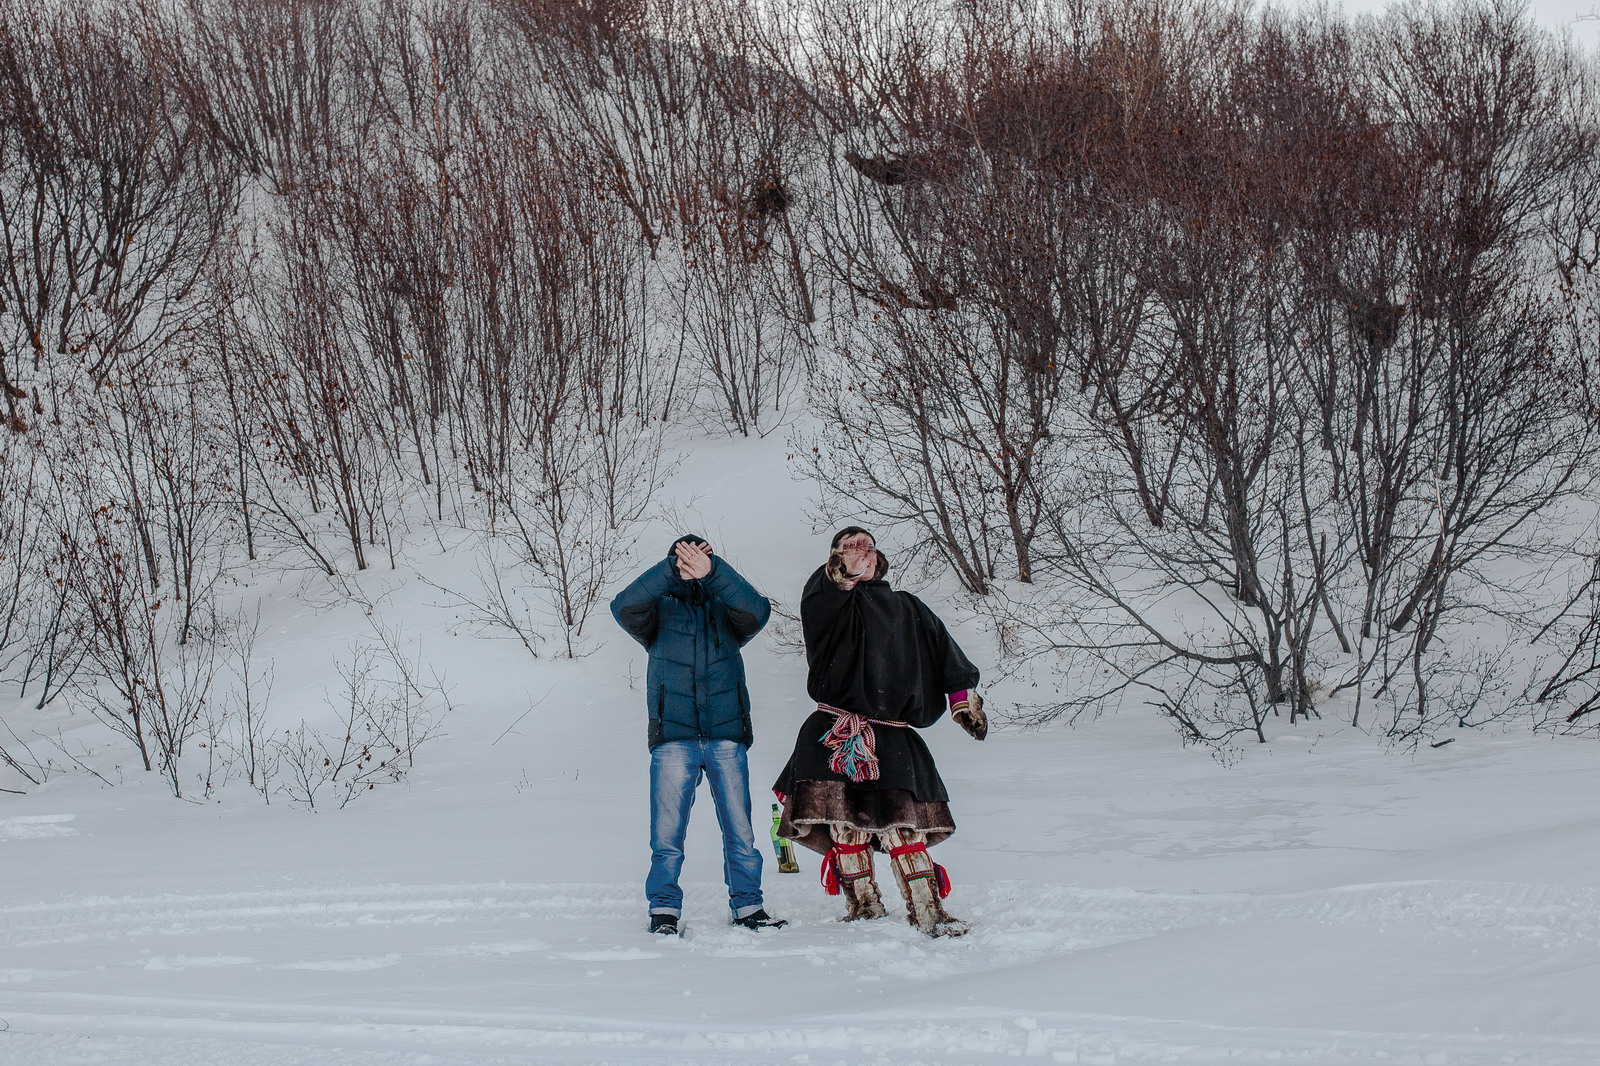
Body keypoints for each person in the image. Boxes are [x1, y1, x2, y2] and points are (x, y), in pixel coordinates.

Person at [773, 526, 988, 938]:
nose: (857, 553)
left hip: (891, 734)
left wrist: (962, 700)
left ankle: (928, 910)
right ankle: (863, 905)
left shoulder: (909, 607)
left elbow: (947, 654)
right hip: (834, 731)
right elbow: (826, 591)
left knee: (904, 829)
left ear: (878, 558)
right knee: (844, 828)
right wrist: (840, 573)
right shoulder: (826, 602)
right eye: (846, 548)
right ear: (834, 558)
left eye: (865, 547)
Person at [611, 534, 786, 935]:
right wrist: (672, 571)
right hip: (673, 737)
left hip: (726, 736)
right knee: (667, 836)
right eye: (683, 556)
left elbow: (758, 611)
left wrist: (715, 573)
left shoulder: (727, 610)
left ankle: (748, 907)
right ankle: (664, 911)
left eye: (700, 555)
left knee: (740, 832)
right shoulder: (657, 613)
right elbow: (623, 606)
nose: (692, 562)